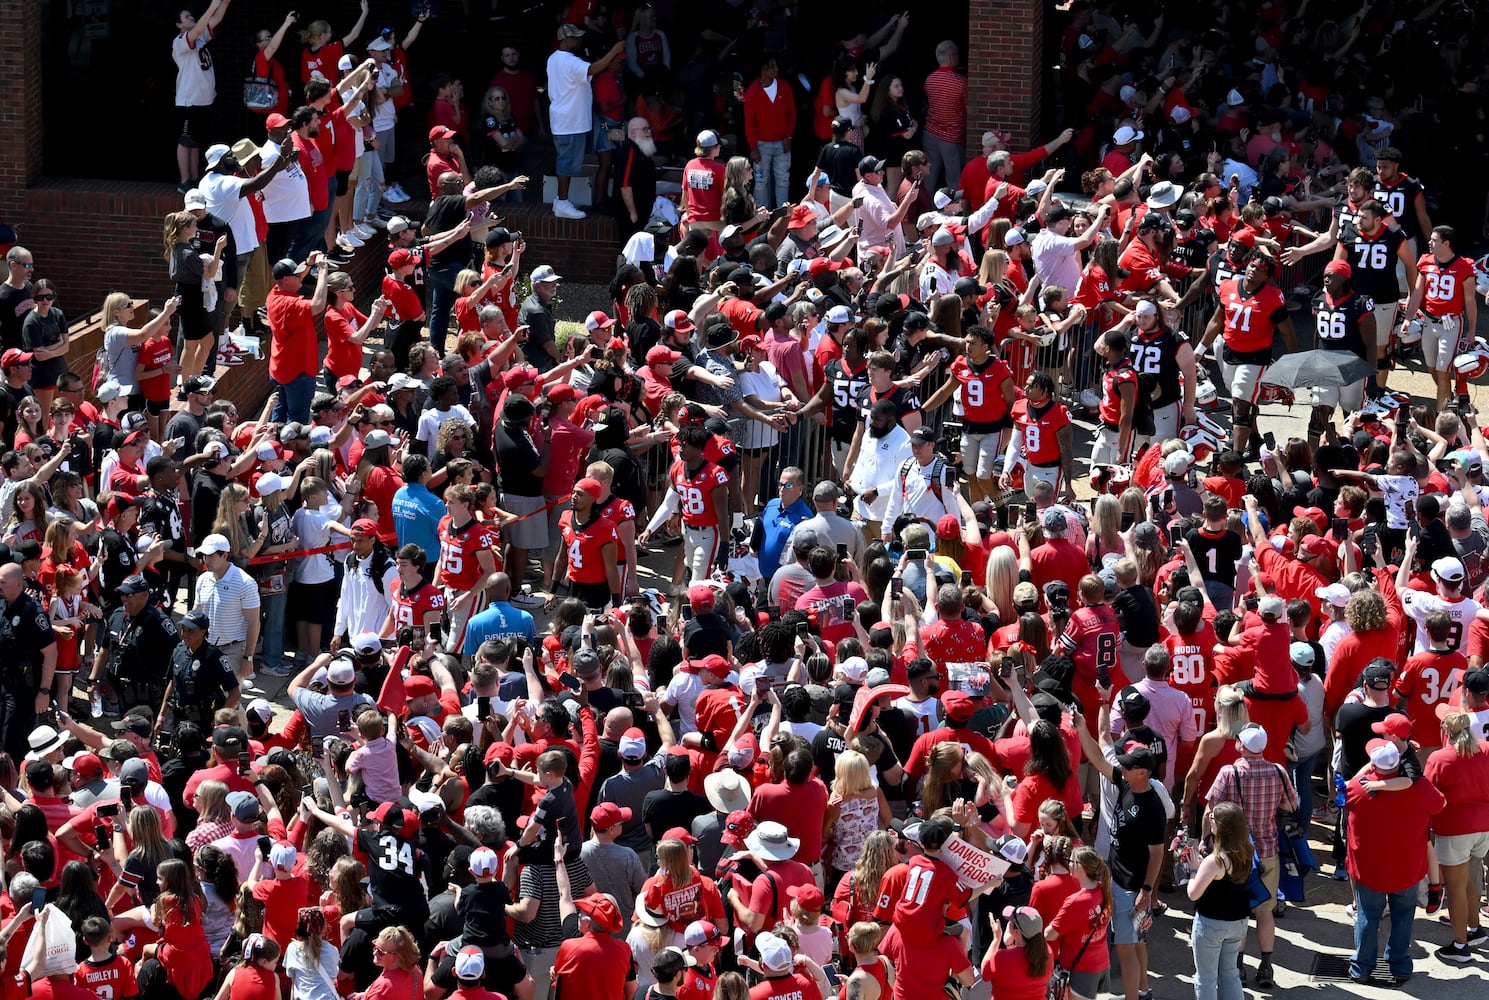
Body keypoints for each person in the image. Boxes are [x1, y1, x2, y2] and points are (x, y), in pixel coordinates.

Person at [1345, 738, 1445, 985]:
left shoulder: (1360, 787)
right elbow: (1441, 803)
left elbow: (1346, 789)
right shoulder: (1420, 788)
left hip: (1371, 869)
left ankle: (1362, 968)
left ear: (1373, 764)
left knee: (1367, 916)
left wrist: (1369, 768)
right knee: (1403, 917)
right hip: (1406, 868)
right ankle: (1399, 966)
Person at [547, 24, 626, 220]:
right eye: (575, 38)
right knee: (566, 163)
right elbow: (594, 69)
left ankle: (560, 201)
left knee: (566, 161)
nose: (579, 41)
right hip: (570, 121)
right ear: (565, 40)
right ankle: (563, 202)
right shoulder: (570, 61)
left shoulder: (553, 59)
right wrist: (614, 51)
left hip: (564, 119)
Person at [1186, 802, 1254, 1000]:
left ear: (1222, 826)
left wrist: (1193, 871)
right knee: (1229, 972)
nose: (1209, 819)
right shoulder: (1247, 851)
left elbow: (1193, 894)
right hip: (1238, 922)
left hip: (1211, 924)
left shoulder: (1215, 860)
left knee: (1205, 978)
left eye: (1213, 818)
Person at [172, 1, 234, 191]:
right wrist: (211, 5)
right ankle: (184, 180)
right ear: (179, 24)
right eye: (186, 17)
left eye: (191, 16)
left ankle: (194, 178)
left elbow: (214, 20)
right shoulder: (181, 40)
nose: (191, 18)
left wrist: (224, 2)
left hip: (204, 100)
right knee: (185, 140)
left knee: (195, 141)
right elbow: (200, 26)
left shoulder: (199, 39)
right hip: (188, 100)